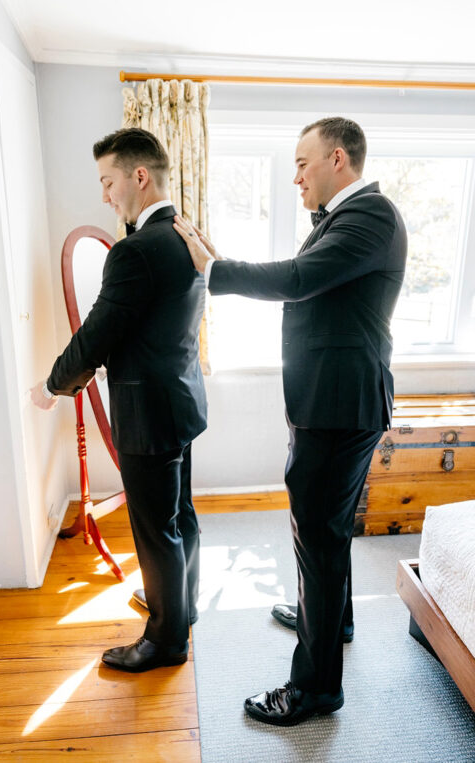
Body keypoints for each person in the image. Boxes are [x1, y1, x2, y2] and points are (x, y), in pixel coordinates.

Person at [173, 116, 407, 726]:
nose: (295, 177)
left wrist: (211, 271)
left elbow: (298, 281)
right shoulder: (346, 220)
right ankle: (336, 618)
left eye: (302, 163)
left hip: (338, 406)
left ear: (337, 158)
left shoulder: (371, 216)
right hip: (331, 401)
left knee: (318, 536)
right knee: (328, 531)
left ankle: (315, 689)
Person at [30, 127, 207, 673]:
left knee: (156, 531)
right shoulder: (188, 234)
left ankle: (164, 640)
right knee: (179, 514)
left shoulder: (134, 252)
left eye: (108, 181)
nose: (104, 194)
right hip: (180, 400)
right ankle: (181, 607)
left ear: (139, 176)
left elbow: (96, 335)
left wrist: (53, 385)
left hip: (147, 412)